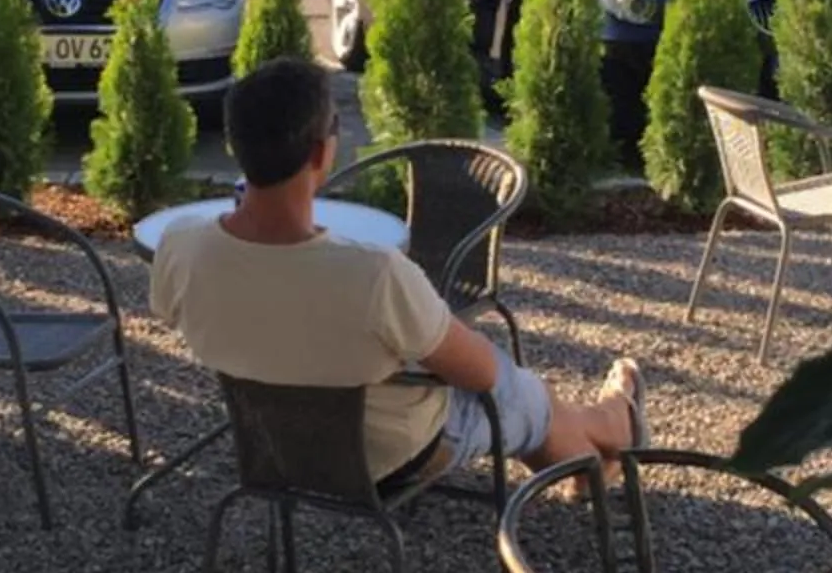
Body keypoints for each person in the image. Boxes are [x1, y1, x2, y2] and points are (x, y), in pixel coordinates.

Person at [151, 55, 645, 487]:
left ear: (236, 146)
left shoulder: (181, 246)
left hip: (270, 450)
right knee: (524, 395)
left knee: (524, 400)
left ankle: (595, 456)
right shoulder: (373, 274)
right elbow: (479, 372)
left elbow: (240, 314)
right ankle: (612, 429)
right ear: (322, 153)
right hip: (387, 458)